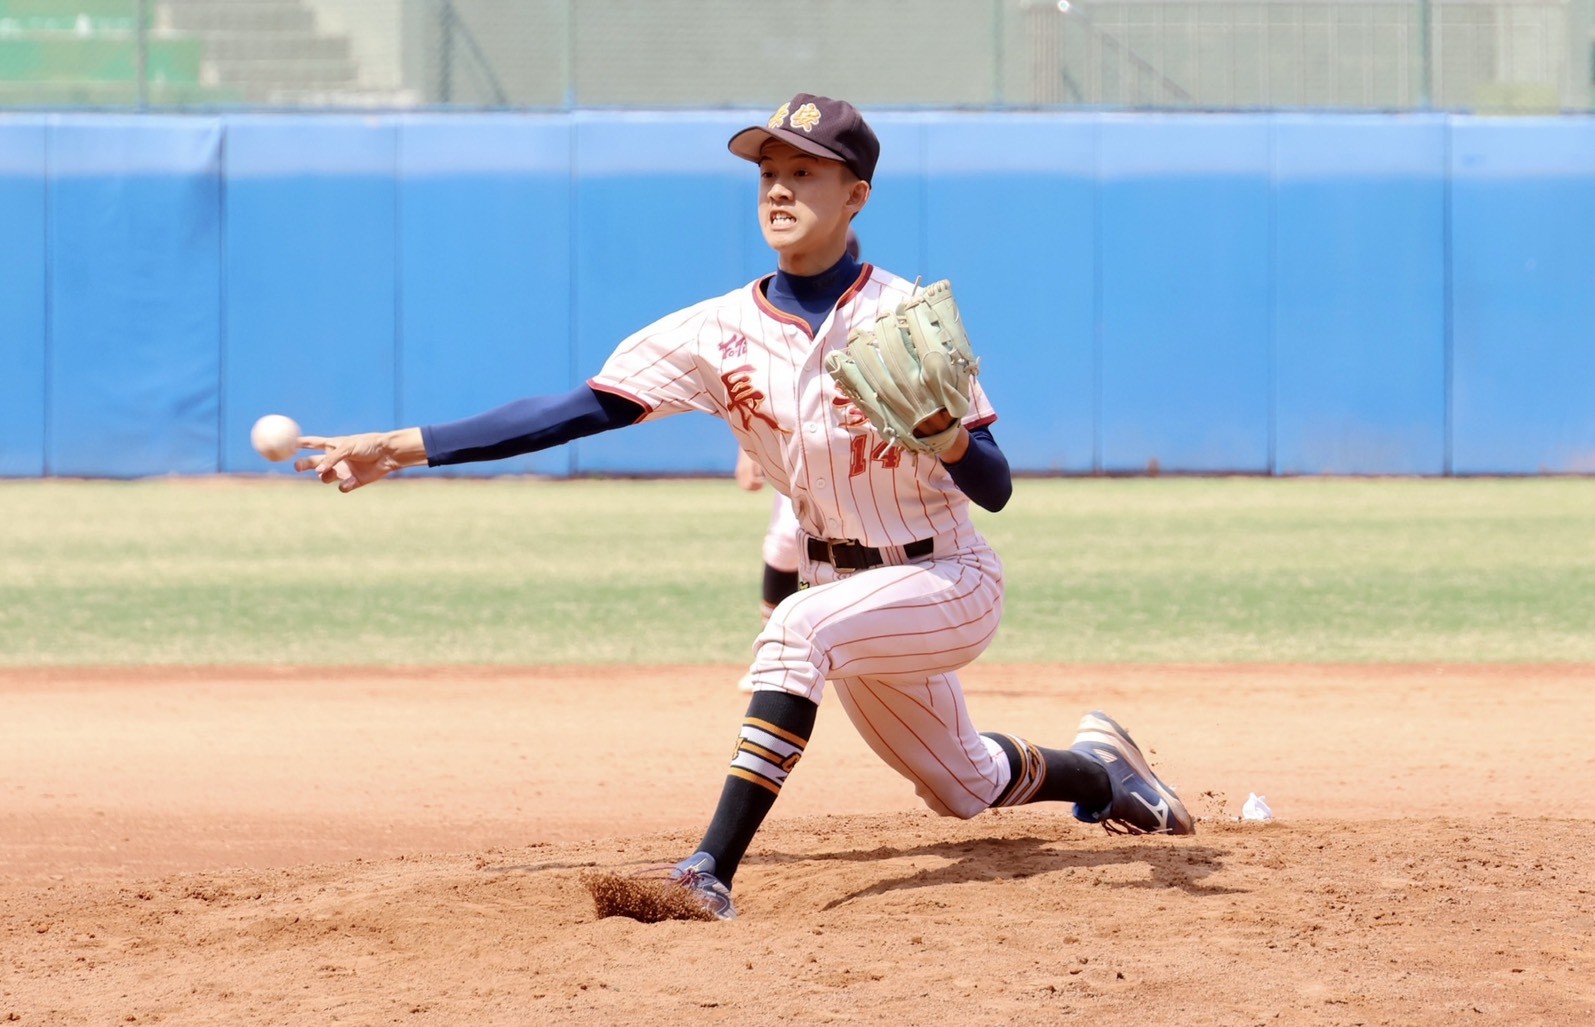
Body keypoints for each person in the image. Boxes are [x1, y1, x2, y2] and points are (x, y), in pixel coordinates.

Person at [295, 92, 1194, 920]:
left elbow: (993, 488)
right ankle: (1101, 772)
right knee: (960, 784)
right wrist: (401, 446)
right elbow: (574, 411)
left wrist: (948, 436)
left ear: (856, 196)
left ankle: (707, 872)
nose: (778, 188)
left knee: (796, 628)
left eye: (804, 171)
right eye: (767, 172)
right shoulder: (713, 330)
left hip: (947, 580)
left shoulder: (904, 317)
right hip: (846, 594)